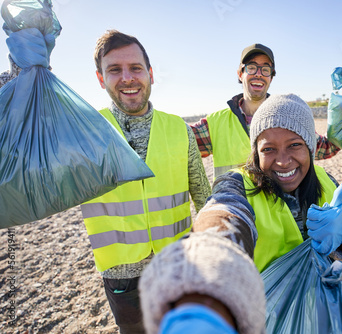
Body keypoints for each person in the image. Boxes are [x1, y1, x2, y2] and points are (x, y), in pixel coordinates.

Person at [5, 28, 212, 333]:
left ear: (151, 74)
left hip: (178, 267)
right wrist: (25, 73)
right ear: (101, 79)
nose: (127, 77)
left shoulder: (179, 129)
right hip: (121, 279)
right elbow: (24, 137)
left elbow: (205, 199)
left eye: (136, 68)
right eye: (115, 70)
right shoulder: (83, 131)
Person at [139, 93, 342, 333]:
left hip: (325, 317)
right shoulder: (238, 185)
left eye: (295, 145)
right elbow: (224, 213)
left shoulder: (327, 183)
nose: (283, 161)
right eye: (269, 149)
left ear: (310, 147)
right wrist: (206, 283)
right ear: (256, 152)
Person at [189, 43, 342, 179]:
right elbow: (178, 141)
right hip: (234, 219)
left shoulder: (287, 116)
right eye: (251, 67)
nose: (258, 74)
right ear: (240, 73)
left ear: (271, 77)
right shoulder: (214, 124)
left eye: (265, 70)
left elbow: (326, 147)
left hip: (277, 221)